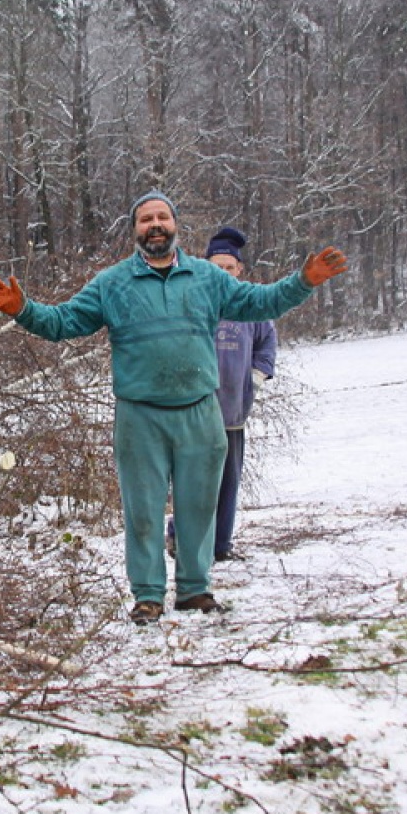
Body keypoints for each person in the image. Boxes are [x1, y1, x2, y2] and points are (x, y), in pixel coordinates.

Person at [0, 192, 348, 625]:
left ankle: (194, 590)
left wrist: (302, 281)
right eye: (145, 219)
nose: (155, 224)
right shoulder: (112, 283)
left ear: (175, 225)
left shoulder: (208, 278)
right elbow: (64, 323)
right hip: (140, 414)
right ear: (134, 230)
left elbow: (259, 302)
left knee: (198, 506)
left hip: (199, 409)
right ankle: (148, 595)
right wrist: (22, 310)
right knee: (143, 509)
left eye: (162, 217)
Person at [166, 226, 276, 563]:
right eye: (217, 266)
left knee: (228, 481)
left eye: (229, 267)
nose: (223, 272)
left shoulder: (250, 304)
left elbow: (266, 344)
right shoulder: (192, 301)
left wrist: (256, 376)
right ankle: (182, 539)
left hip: (233, 410)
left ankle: (220, 545)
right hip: (196, 410)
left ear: (239, 270)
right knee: (193, 479)